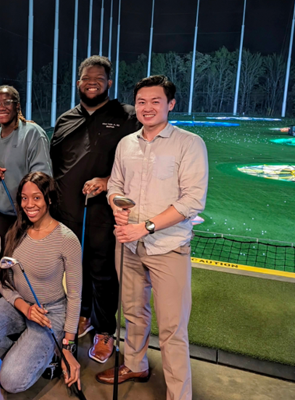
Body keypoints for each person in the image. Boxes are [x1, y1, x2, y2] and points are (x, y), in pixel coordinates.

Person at [96, 75, 208, 400]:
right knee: (133, 312)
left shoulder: (189, 144)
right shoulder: (126, 144)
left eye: (155, 101)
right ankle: (135, 363)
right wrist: (117, 206)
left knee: (173, 328)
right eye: (142, 102)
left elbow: (191, 201)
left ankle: (179, 395)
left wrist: (144, 228)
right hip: (128, 245)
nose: (147, 108)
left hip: (168, 247)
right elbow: (115, 185)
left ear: (170, 104)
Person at [50, 55, 141, 363]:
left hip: (103, 214)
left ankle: (104, 331)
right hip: (67, 214)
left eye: (98, 79)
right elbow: (56, 164)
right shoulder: (66, 119)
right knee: (75, 270)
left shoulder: (126, 116)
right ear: (78, 82)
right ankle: (83, 315)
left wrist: (107, 180)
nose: (92, 83)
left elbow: (138, 166)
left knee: (102, 273)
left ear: (109, 83)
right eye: (86, 78)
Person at [0, 171, 82, 393]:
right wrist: (25, 307)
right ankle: (30, 354)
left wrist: (68, 347)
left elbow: (75, 296)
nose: (29, 204)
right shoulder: (16, 231)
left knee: (11, 382)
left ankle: (51, 352)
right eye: (24, 197)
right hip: (19, 304)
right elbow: (4, 283)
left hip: (49, 313)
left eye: (36, 197)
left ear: (48, 199)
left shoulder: (67, 239)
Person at [0, 85, 52, 300]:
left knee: (23, 268)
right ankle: (2, 312)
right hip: (0, 214)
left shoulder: (32, 134)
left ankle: (28, 314)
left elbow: (43, 176)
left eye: (7, 102)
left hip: (27, 215)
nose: (1, 107)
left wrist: (28, 206)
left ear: (17, 106)